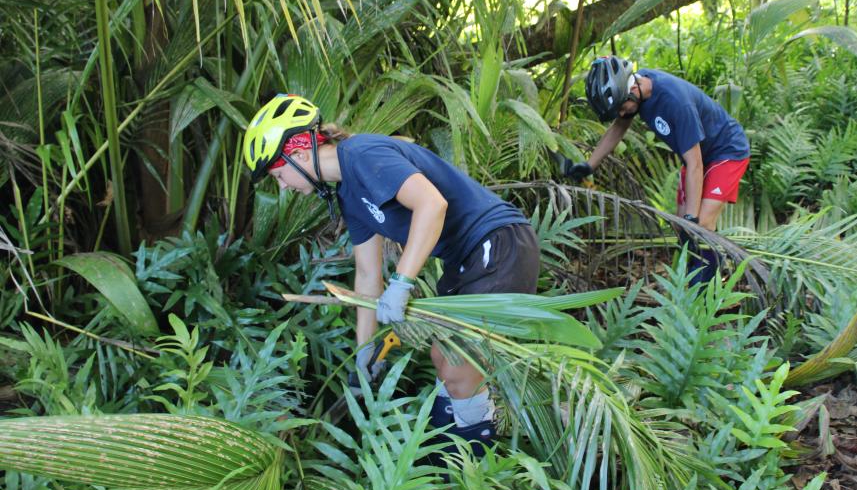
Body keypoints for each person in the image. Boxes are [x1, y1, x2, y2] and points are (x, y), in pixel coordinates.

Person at [242, 93, 539, 454]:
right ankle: (454, 438)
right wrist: (363, 353)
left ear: (300, 153)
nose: (283, 187)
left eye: (278, 175)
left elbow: (432, 204)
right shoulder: (348, 195)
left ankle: (475, 460)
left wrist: (402, 283)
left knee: (458, 366)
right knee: (443, 357)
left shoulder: (362, 155)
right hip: (466, 259)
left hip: (499, 244)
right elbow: (367, 278)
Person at [562, 56, 750, 284]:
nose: (622, 114)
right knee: (681, 229)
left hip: (725, 151)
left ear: (632, 88)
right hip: (695, 154)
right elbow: (618, 127)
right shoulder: (638, 92)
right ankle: (696, 275)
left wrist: (693, 218)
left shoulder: (675, 102)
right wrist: (589, 165)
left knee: (700, 227)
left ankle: (703, 290)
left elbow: (695, 164)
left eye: (621, 107)